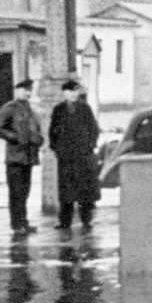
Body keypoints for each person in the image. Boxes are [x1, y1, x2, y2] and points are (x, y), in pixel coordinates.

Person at [48, 79, 100, 230]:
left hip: (83, 156)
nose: (73, 94)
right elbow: (53, 132)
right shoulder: (58, 109)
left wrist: (90, 146)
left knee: (85, 190)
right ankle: (65, 222)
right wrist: (57, 150)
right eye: (70, 91)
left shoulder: (85, 108)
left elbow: (93, 129)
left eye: (76, 91)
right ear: (64, 93)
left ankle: (86, 220)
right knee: (66, 192)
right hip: (66, 158)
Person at [0, 79, 43, 235]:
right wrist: (15, 138)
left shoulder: (31, 110)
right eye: (24, 90)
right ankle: (16, 225)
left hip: (28, 157)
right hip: (15, 157)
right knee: (16, 193)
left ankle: (24, 222)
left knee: (25, 192)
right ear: (17, 90)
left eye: (29, 90)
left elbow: (36, 130)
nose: (27, 93)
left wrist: (39, 140)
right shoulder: (9, 108)